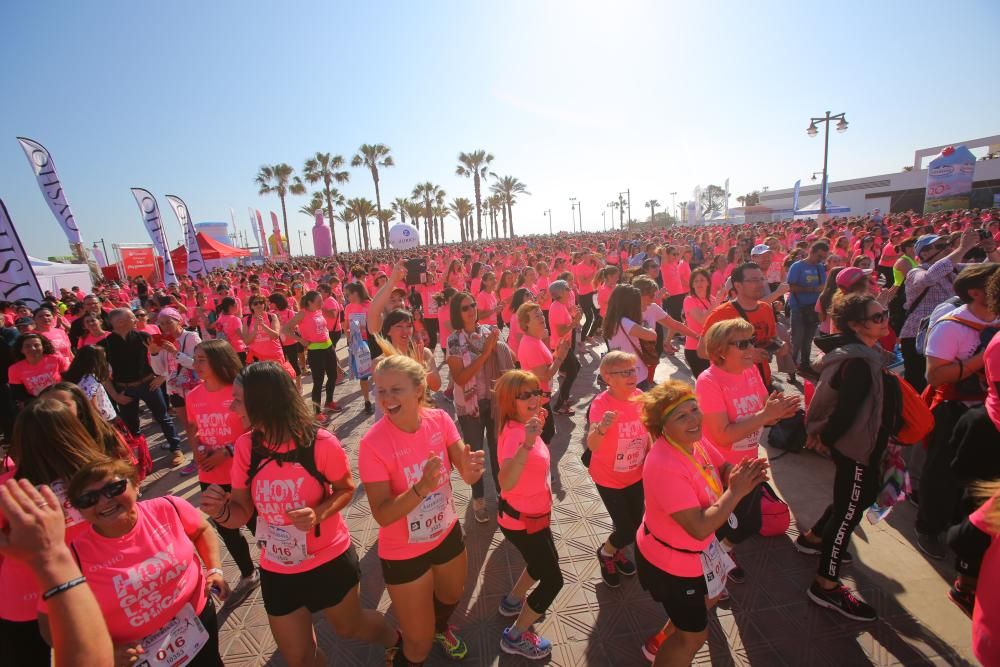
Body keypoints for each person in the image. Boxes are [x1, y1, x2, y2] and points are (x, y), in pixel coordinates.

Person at [200, 361, 397, 667]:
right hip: (277, 566)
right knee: (298, 657)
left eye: (238, 400)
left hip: (328, 558)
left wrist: (318, 514)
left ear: (262, 402)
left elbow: (346, 488)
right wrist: (222, 512)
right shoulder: (245, 447)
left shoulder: (319, 443)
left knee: (349, 627)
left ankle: (395, 641)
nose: (231, 408)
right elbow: (241, 511)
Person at [357, 355, 485, 666]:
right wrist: (420, 489)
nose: (386, 399)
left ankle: (441, 628)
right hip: (403, 551)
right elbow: (383, 514)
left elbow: (464, 471)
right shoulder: (372, 444)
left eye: (395, 390)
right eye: (380, 390)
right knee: (418, 644)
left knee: (453, 595)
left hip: (445, 531)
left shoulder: (439, 420)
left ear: (418, 390)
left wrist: (470, 472)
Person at [46, 457, 229, 666]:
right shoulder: (73, 557)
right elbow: (58, 623)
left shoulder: (169, 507)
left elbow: (201, 530)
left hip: (198, 620)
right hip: (136, 654)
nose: (104, 501)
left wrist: (215, 570)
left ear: (135, 483)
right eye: (88, 499)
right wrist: (104, 650)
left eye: (114, 488)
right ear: (78, 510)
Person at [635, 380, 769, 664]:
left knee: (708, 599)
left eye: (695, 409)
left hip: (700, 556)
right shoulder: (664, 464)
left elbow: (721, 468)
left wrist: (743, 473)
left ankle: (662, 638)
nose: (694, 419)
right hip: (673, 563)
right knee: (694, 638)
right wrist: (736, 491)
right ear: (662, 426)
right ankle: (668, 644)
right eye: (681, 416)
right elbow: (698, 527)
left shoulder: (694, 439)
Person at [797, 293, 900, 622]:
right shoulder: (857, 361)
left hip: (866, 445)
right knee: (848, 512)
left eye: (884, 314)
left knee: (860, 496)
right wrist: (824, 439)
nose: (884, 320)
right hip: (856, 449)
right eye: (876, 317)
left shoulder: (868, 353)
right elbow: (845, 412)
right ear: (855, 325)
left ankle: (813, 538)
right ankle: (825, 583)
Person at [696, 319, 799, 583]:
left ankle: (721, 553)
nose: (750, 348)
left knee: (749, 523)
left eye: (752, 341)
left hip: (749, 464)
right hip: (720, 470)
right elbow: (723, 435)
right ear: (720, 350)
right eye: (742, 343)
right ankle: (708, 575)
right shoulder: (708, 381)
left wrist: (778, 412)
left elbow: (766, 414)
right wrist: (765, 415)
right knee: (718, 525)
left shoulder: (751, 371)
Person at [916, 263, 1000, 560]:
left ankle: (963, 529)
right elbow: (935, 376)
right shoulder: (951, 325)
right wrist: (982, 359)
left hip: (988, 412)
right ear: (976, 292)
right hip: (953, 409)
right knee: (942, 472)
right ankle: (929, 527)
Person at [0, 478, 114, 667]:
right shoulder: (90, 472)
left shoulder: (9, 485)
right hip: (97, 582)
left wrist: (49, 556)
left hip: (23, 602)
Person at [495, 370, 561, 659]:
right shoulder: (514, 436)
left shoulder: (523, 425)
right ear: (511, 401)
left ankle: (512, 602)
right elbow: (506, 482)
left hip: (532, 517)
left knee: (541, 563)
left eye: (537, 392)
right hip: (523, 521)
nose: (535, 398)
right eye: (526, 395)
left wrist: (534, 432)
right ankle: (516, 635)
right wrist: (528, 442)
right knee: (553, 580)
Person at [185, 340, 260, 598]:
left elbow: (256, 428)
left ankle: (279, 565)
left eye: (201, 359)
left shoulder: (238, 391)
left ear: (218, 360)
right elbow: (194, 429)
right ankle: (249, 573)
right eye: (194, 358)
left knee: (257, 524)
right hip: (211, 476)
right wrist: (198, 452)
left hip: (244, 473)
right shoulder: (193, 395)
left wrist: (227, 451)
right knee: (227, 529)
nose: (195, 364)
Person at [446, 291, 511, 522]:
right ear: (457, 313)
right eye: (465, 307)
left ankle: (504, 497)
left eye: (472, 305)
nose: (471, 309)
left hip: (492, 403)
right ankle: (479, 500)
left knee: (498, 453)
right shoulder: (453, 340)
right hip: (470, 407)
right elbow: (461, 378)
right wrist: (485, 354)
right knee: (475, 455)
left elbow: (507, 359)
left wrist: (499, 346)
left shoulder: (487, 333)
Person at [585, 352, 649, 588]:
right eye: (624, 372)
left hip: (636, 474)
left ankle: (616, 550)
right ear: (607, 377)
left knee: (636, 522)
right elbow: (592, 445)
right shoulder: (601, 404)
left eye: (633, 370)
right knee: (626, 529)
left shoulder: (641, 397)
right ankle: (606, 553)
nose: (632, 375)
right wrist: (602, 428)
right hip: (609, 478)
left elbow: (647, 433)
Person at [98, 308, 185, 467]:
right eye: (133, 317)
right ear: (119, 323)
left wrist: (162, 376)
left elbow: (168, 355)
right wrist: (116, 396)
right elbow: (102, 375)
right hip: (125, 390)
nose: (137, 320)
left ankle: (176, 448)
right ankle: (140, 460)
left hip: (149, 384)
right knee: (132, 427)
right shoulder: (104, 345)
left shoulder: (144, 337)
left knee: (163, 418)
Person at [899, 229, 979, 393]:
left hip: (947, 334)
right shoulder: (916, 272)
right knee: (919, 387)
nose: (949, 248)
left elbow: (990, 269)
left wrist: (990, 249)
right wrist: (961, 249)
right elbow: (929, 278)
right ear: (924, 253)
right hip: (917, 338)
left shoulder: (956, 269)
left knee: (945, 387)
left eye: (948, 244)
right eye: (941, 246)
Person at [698, 262, 779, 388]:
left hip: (762, 381)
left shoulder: (766, 308)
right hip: (733, 387)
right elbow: (702, 351)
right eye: (753, 280)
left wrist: (778, 346)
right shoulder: (721, 314)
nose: (760, 284)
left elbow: (770, 338)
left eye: (761, 279)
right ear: (738, 286)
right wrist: (749, 355)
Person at [515, 302, 569, 444]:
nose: (541, 317)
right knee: (545, 434)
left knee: (546, 433)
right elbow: (545, 375)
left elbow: (546, 364)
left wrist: (557, 352)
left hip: (542, 398)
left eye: (540, 313)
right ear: (527, 323)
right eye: (536, 315)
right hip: (537, 401)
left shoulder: (535, 340)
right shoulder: (530, 344)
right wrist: (561, 357)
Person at [281, 290, 341, 416]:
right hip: (315, 351)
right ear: (310, 302)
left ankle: (329, 402)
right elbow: (285, 329)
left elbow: (324, 329)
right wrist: (300, 339)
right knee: (318, 382)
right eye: (319, 301)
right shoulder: (302, 314)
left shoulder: (319, 311)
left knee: (333, 376)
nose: (322, 303)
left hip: (328, 347)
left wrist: (333, 349)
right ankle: (317, 412)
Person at [602, 284, 658, 389]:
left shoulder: (611, 320)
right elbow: (652, 336)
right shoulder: (625, 323)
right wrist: (648, 325)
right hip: (636, 376)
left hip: (620, 373)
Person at [786, 241, 829, 375]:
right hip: (799, 308)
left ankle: (804, 364)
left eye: (823, 257)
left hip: (813, 309)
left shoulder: (820, 267)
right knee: (797, 340)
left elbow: (823, 286)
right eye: (819, 256)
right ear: (811, 251)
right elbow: (790, 286)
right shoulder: (797, 266)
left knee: (808, 339)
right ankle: (791, 368)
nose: (821, 260)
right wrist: (811, 289)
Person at [7, 333, 70, 406]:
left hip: (60, 400)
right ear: (21, 350)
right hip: (36, 404)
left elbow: (68, 380)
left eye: (36, 345)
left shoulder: (56, 359)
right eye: (27, 346)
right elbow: (19, 395)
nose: (33, 348)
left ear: (43, 347)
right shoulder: (14, 369)